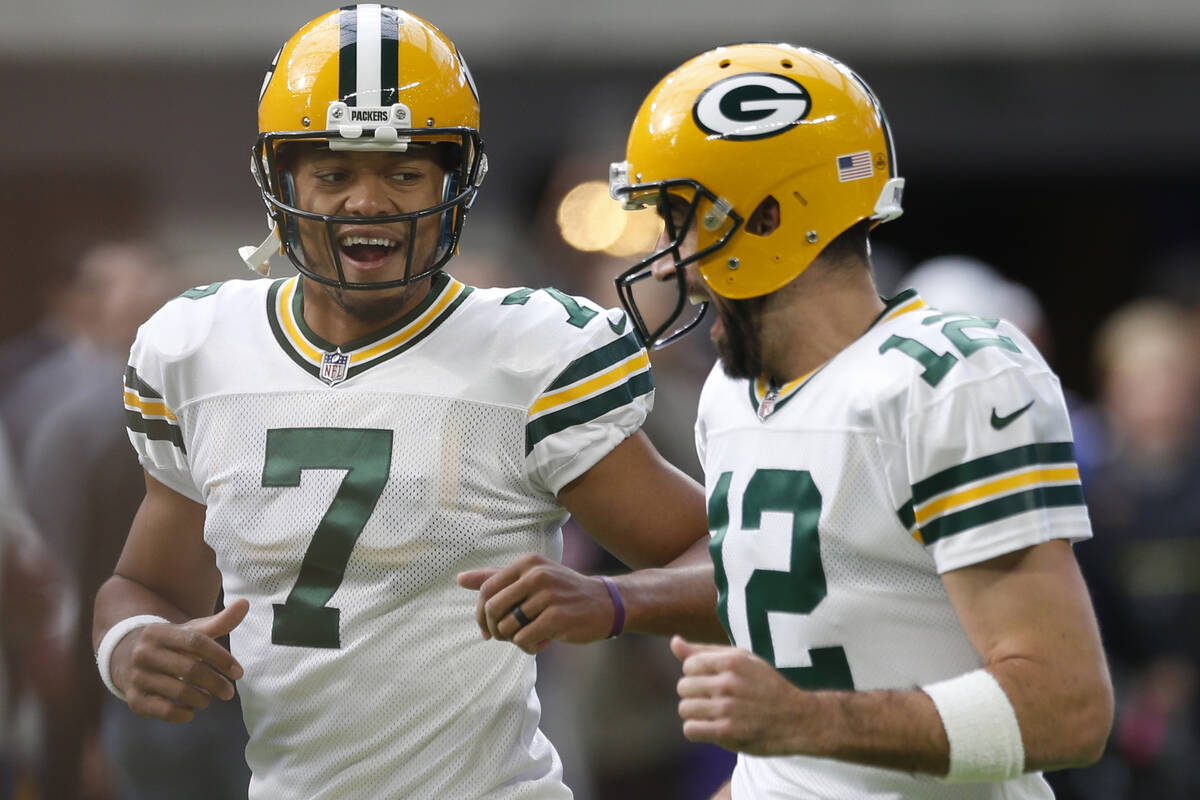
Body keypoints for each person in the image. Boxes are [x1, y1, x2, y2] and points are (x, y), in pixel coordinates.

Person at [92, 7, 719, 800]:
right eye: (334, 172)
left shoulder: (527, 355)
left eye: (403, 172)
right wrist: (129, 643)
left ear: (453, 184)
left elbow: (734, 567)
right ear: (282, 181)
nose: (367, 201)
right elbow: (144, 584)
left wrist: (613, 599)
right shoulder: (197, 348)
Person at [606, 43, 1113, 798]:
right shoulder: (730, 392)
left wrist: (807, 722)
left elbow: (1068, 710)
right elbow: (797, 592)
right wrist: (610, 603)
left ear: (771, 216)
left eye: (680, 219)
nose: (667, 261)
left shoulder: (948, 381)